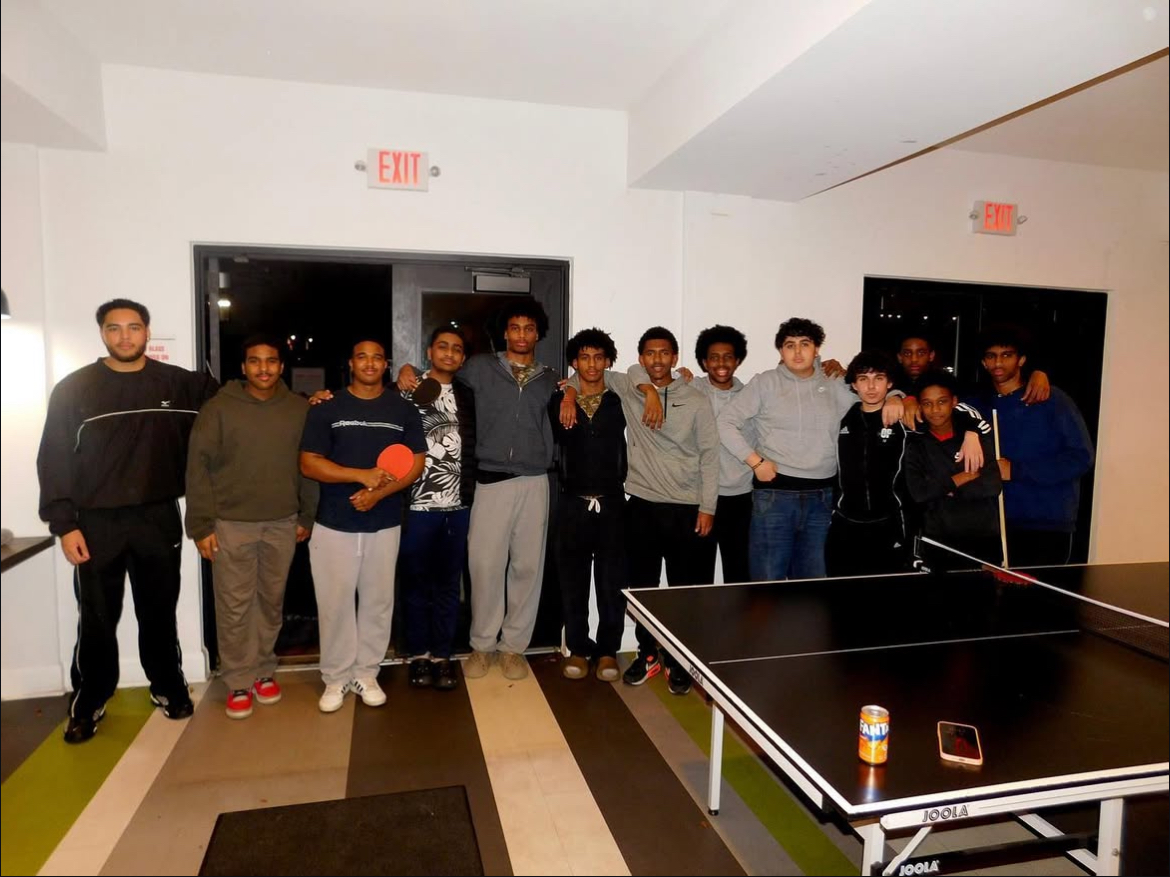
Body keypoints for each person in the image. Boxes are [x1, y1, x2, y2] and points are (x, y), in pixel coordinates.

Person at [37, 298, 219, 743]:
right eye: (114, 328)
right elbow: (53, 458)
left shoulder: (180, 384)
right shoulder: (74, 389)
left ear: (146, 332)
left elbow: (244, 399)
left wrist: (311, 400)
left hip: (158, 516)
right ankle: (90, 699)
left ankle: (168, 686)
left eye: (133, 327)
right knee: (97, 617)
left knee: (159, 611)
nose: (124, 337)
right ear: (102, 333)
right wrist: (65, 524)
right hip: (95, 522)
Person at [399, 300, 559, 682]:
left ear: (538, 334)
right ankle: (483, 645)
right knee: (485, 567)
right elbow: (439, 375)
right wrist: (407, 370)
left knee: (527, 568)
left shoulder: (550, 378)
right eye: (515, 327)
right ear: (505, 332)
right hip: (489, 481)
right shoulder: (480, 367)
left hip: (535, 481)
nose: (522, 334)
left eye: (529, 328)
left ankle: (513, 647)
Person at [563, 327, 720, 695]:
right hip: (642, 506)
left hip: (686, 507)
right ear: (641, 357)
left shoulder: (696, 400)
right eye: (650, 353)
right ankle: (647, 654)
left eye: (664, 353)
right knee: (643, 590)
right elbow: (587, 374)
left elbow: (711, 455)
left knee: (682, 593)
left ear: (675, 358)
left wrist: (708, 507)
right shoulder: (629, 386)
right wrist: (645, 391)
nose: (657, 360)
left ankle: (680, 661)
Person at [184, 334, 318, 720]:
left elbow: (308, 465)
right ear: (243, 367)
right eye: (255, 361)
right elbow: (197, 468)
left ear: (281, 366)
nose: (263, 368)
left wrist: (306, 515)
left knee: (270, 603)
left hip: (282, 523)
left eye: (271, 361)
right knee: (234, 605)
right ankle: (238, 680)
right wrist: (201, 525)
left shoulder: (298, 409)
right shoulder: (218, 409)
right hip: (231, 524)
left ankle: (262, 671)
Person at [718, 317, 904, 581]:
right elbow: (724, 423)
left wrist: (897, 397)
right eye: (790, 345)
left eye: (805, 344)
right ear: (781, 351)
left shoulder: (835, 382)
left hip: (822, 500)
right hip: (775, 497)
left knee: (812, 584)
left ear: (816, 349)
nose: (797, 352)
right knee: (767, 583)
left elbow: (871, 393)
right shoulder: (765, 383)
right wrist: (755, 462)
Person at [300, 339, 426, 713]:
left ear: (386, 365)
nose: (369, 363)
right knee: (334, 603)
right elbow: (309, 463)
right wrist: (361, 476)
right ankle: (336, 678)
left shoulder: (403, 409)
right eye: (362, 357)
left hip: (384, 522)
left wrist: (379, 494)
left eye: (377, 358)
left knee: (378, 602)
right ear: (351, 364)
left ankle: (366, 673)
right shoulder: (327, 407)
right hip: (333, 523)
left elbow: (415, 464)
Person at [398, 327, 477, 691]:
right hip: (416, 505)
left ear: (463, 358)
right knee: (415, 583)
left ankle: (443, 656)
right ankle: (418, 654)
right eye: (442, 347)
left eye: (456, 349)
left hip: (457, 506)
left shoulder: (468, 395)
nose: (449, 353)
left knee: (448, 584)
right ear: (429, 352)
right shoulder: (407, 389)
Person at [977, 325, 1094, 566]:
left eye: (1007, 355)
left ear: (1021, 360)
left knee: (1039, 591)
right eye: (991, 356)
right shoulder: (977, 404)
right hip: (991, 523)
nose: (998, 363)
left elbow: (1081, 457)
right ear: (983, 363)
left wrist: (1016, 470)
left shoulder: (1053, 399)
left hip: (1046, 524)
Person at [548, 329, 627, 683]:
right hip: (571, 503)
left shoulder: (620, 398)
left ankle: (608, 650)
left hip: (613, 504)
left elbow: (649, 379)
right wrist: (568, 392)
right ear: (574, 363)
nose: (591, 364)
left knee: (612, 582)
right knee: (573, 580)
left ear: (607, 361)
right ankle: (578, 649)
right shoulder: (558, 401)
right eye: (584, 357)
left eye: (598, 357)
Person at [904, 370, 1003, 569]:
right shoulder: (916, 445)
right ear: (920, 406)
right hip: (938, 539)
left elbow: (992, 485)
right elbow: (919, 493)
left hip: (983, 537)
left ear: (954, 402)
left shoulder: (975, 439)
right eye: (927, 403)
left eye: (942, 401)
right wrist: (961, 478)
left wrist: (945, 489)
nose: (935, 410)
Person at [826, 350, 912, 577]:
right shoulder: (843, 418)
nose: (871, 387)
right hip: (845, 523)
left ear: (889, 383)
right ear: (854, 385)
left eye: (879, 378)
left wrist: (972, 432)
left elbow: (944, 415)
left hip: (888, 523)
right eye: (863, 379)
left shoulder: (902, 419)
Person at [683, 325, 754, 583]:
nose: (721, 364)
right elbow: (646, 376)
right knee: (698, 576)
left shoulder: (751, 395)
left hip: (741, 498)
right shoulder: (691, 389)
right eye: (714, 357)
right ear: (704, 362)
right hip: (700, 498)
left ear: (738, 360)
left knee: (740, 575)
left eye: (728, 357)